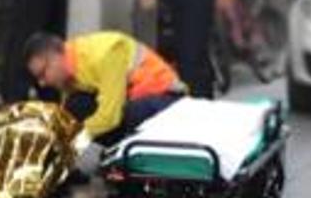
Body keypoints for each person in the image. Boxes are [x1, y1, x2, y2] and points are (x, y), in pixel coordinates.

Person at [24, 32, 188, 156]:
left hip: (167, 102)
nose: (42, 83)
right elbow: (69, 116)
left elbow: (110, 116)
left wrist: (72, 139)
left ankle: (132, 155)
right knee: (76, 107)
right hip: (138, 101)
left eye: (42, 74)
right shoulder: (71, 73)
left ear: (55, 58)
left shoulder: (105, 54)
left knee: (130, 113)